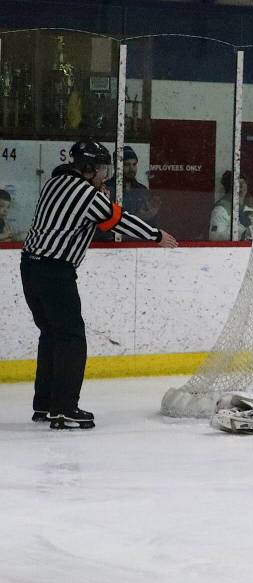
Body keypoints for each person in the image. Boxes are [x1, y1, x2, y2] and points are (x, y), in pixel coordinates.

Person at [20, 139, 177, 429]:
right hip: (55, 271)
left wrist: (100, 197)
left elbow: (95, 217)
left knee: (52, 334)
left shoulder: (55, 182)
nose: (105, 174)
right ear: (88, 168)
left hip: (30, 267)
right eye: (102, 168)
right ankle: (65, 409)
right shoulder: (85, 193)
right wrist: (155, 235)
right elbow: (117, 220)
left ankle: (45, 404)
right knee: (71, 338)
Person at [210, 171, 253, 241]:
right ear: (230, 188)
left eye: (243, 182)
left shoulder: (252, 209)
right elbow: (214, 238)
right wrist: (241, 225)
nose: (241, 186)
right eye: (238, 183)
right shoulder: (220, 209)